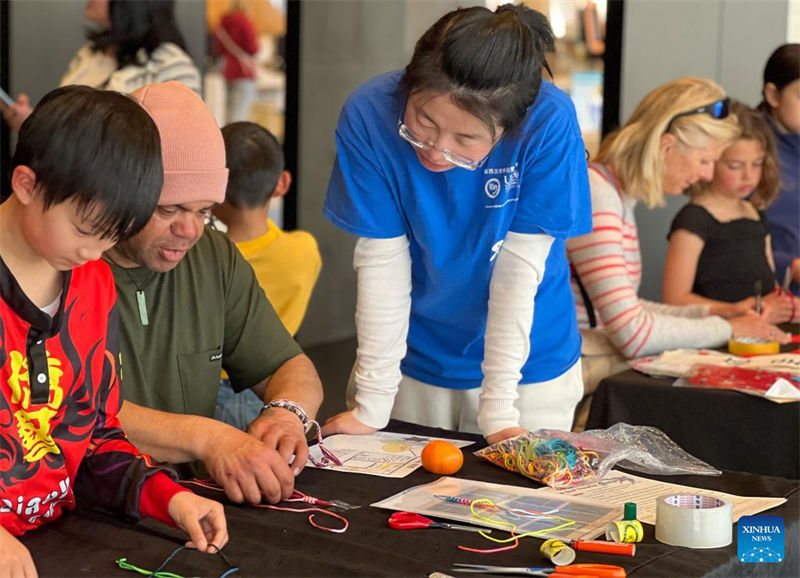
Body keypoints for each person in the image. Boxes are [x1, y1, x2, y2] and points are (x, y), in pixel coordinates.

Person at [322, 5, 592, 444]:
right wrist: (372, 403)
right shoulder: (370, 113)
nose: (434, 150)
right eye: (424, 122)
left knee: (514, 510)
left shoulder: (548, 123)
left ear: (509, 127)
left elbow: (519, 270)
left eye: (465, 139)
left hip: (528, 367)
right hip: (412, 360)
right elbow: (382, 262)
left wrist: (501, 412)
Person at [0, 85, 226, 575]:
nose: (94, 253)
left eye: (112, 236)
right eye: (85, 229)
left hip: (55, 536)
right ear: (26, 184)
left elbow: (95, 433)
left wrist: (166, 497)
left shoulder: (93, 282)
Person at [101, 82, 323, 506]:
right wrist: (210, 439)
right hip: (93, 509)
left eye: (204, 210)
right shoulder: (69, 263)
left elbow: (289, 364)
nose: (189, 231)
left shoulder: (213, 255)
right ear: (122, 189)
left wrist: (286, 415)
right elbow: (79, 410)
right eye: (169, 209)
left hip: (197, 505)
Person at [567, 78, 790, 430]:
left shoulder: (614, 194)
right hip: (570, 382)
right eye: (705, 160)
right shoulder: (600, 198)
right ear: (667, 146)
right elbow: (634, 333)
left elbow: (630, 309)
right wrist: (729, 326)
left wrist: (720, 310)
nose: (705, 174)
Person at [213, 121, 322, 429]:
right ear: (282, 183)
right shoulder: (304, 250)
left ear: (214, 188)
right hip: (277, 390)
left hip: (212, 389)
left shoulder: (206, 263)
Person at [663, 100, 797, 323]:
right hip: (712, 340)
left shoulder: (755, 215)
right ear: (711, 161)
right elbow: (674, 299)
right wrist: (734, 310)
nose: (749, 176)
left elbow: (769, 286)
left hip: (757, 342)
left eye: (757, 164)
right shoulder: (693, 219)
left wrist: (784, 306)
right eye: (735, 166)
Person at [1, 0, 201, 133]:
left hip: (123, 193)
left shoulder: (172, 64)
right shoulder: (89, 55)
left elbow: (181, 146)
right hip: (65, 185)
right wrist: (31, 126)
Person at [760, 44, 800, 295]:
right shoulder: (748, 154)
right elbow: (724, 238)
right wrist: (791, 266)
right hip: (767, 306)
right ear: (773, 95)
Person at [215, 3, 260, 123]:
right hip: (242, 71)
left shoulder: (222, 23)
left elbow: (218, 49)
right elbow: (253, 48)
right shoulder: (244, 21)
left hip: (228, 70)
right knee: (239, 112)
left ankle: (227, 139)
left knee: (229, 111)